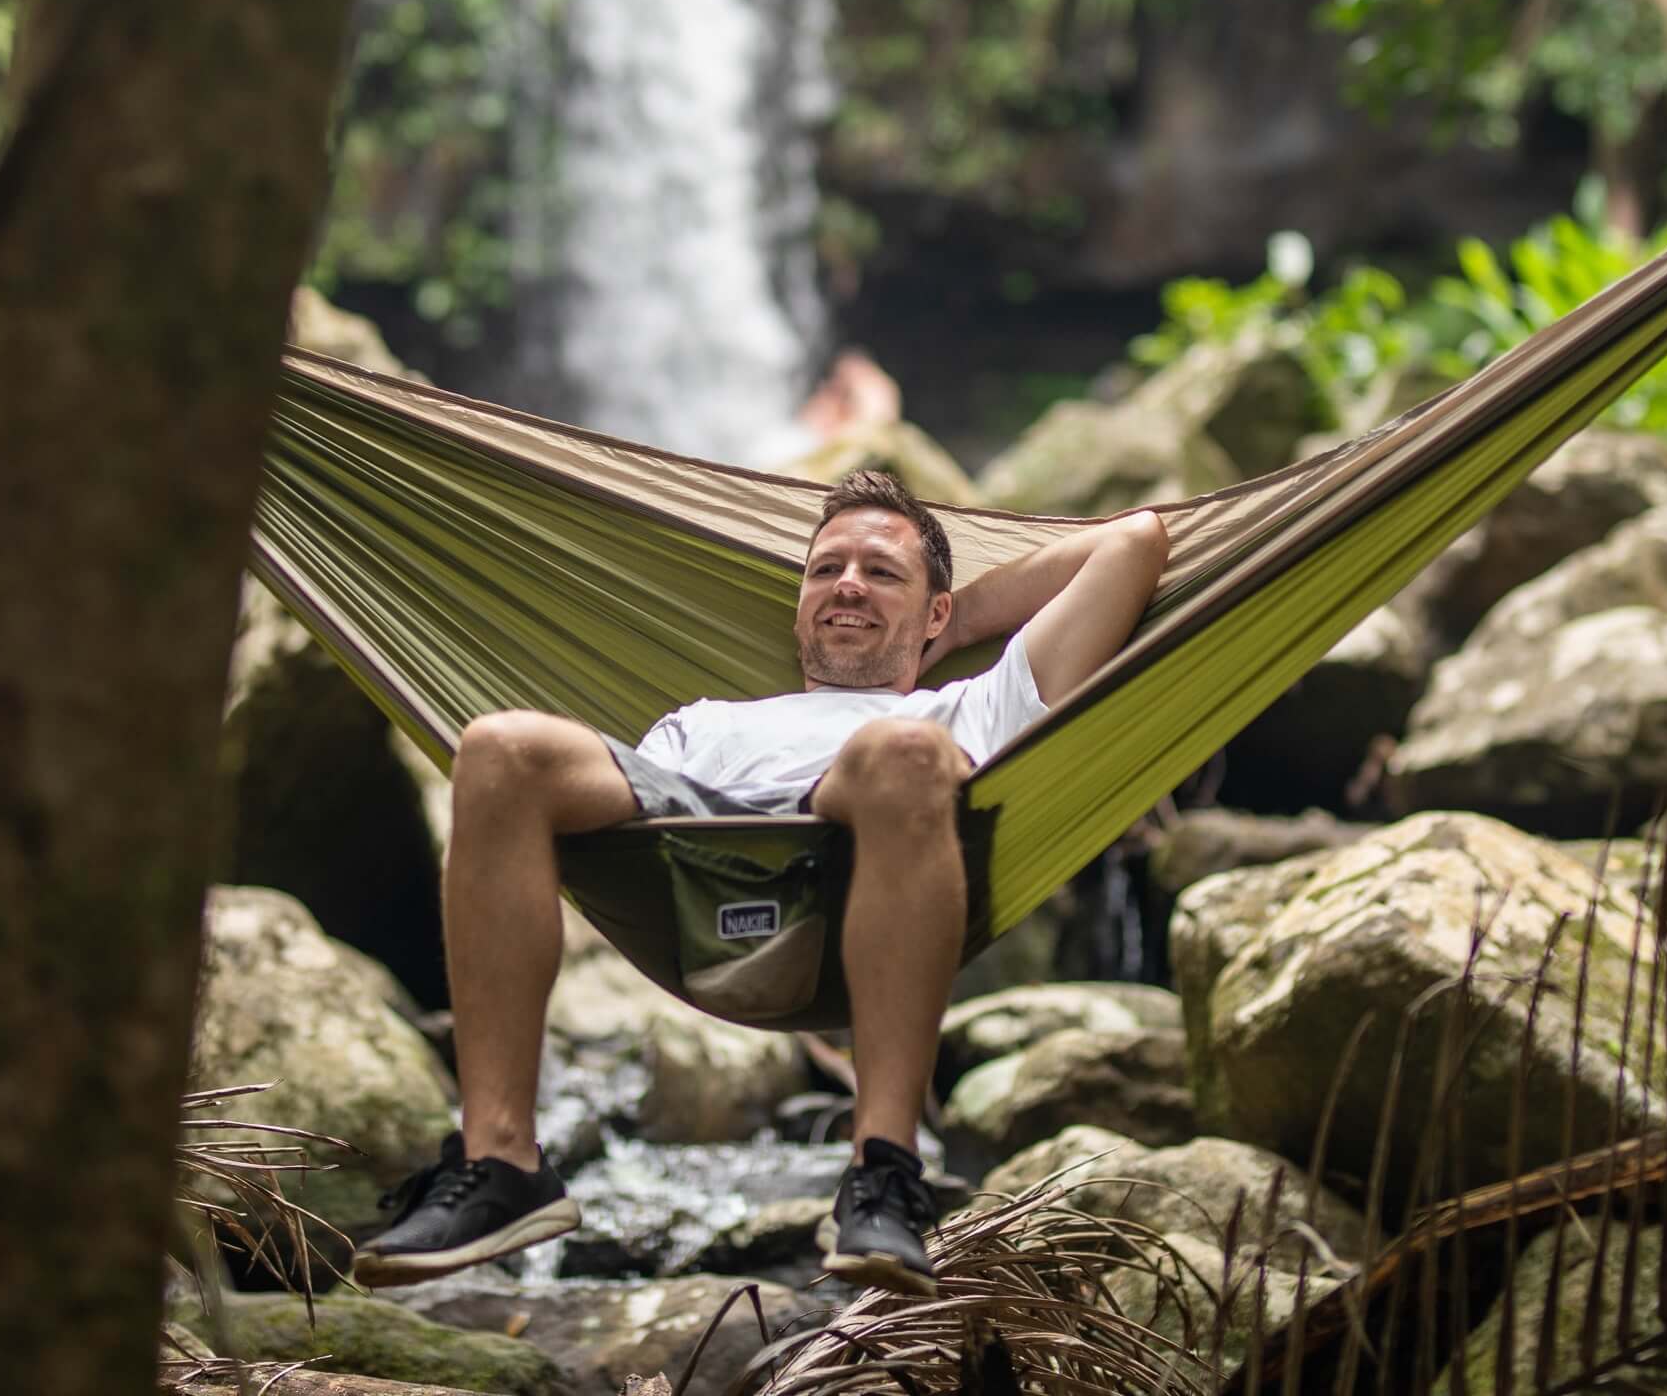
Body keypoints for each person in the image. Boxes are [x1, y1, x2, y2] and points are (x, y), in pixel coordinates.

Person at [351, 469, 1170, 1299]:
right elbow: (618, 804)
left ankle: (884, 1171)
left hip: (874, 831)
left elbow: (1132, 542)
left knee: (902, 750)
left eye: (882, 572)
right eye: (825, 570)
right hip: (694, 862)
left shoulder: (975, 708)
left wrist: (953, 633)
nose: (847, 583)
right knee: (497, 746)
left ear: (935, 611)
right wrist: (904, 598)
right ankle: (501, 1162)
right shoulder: (705, 722)